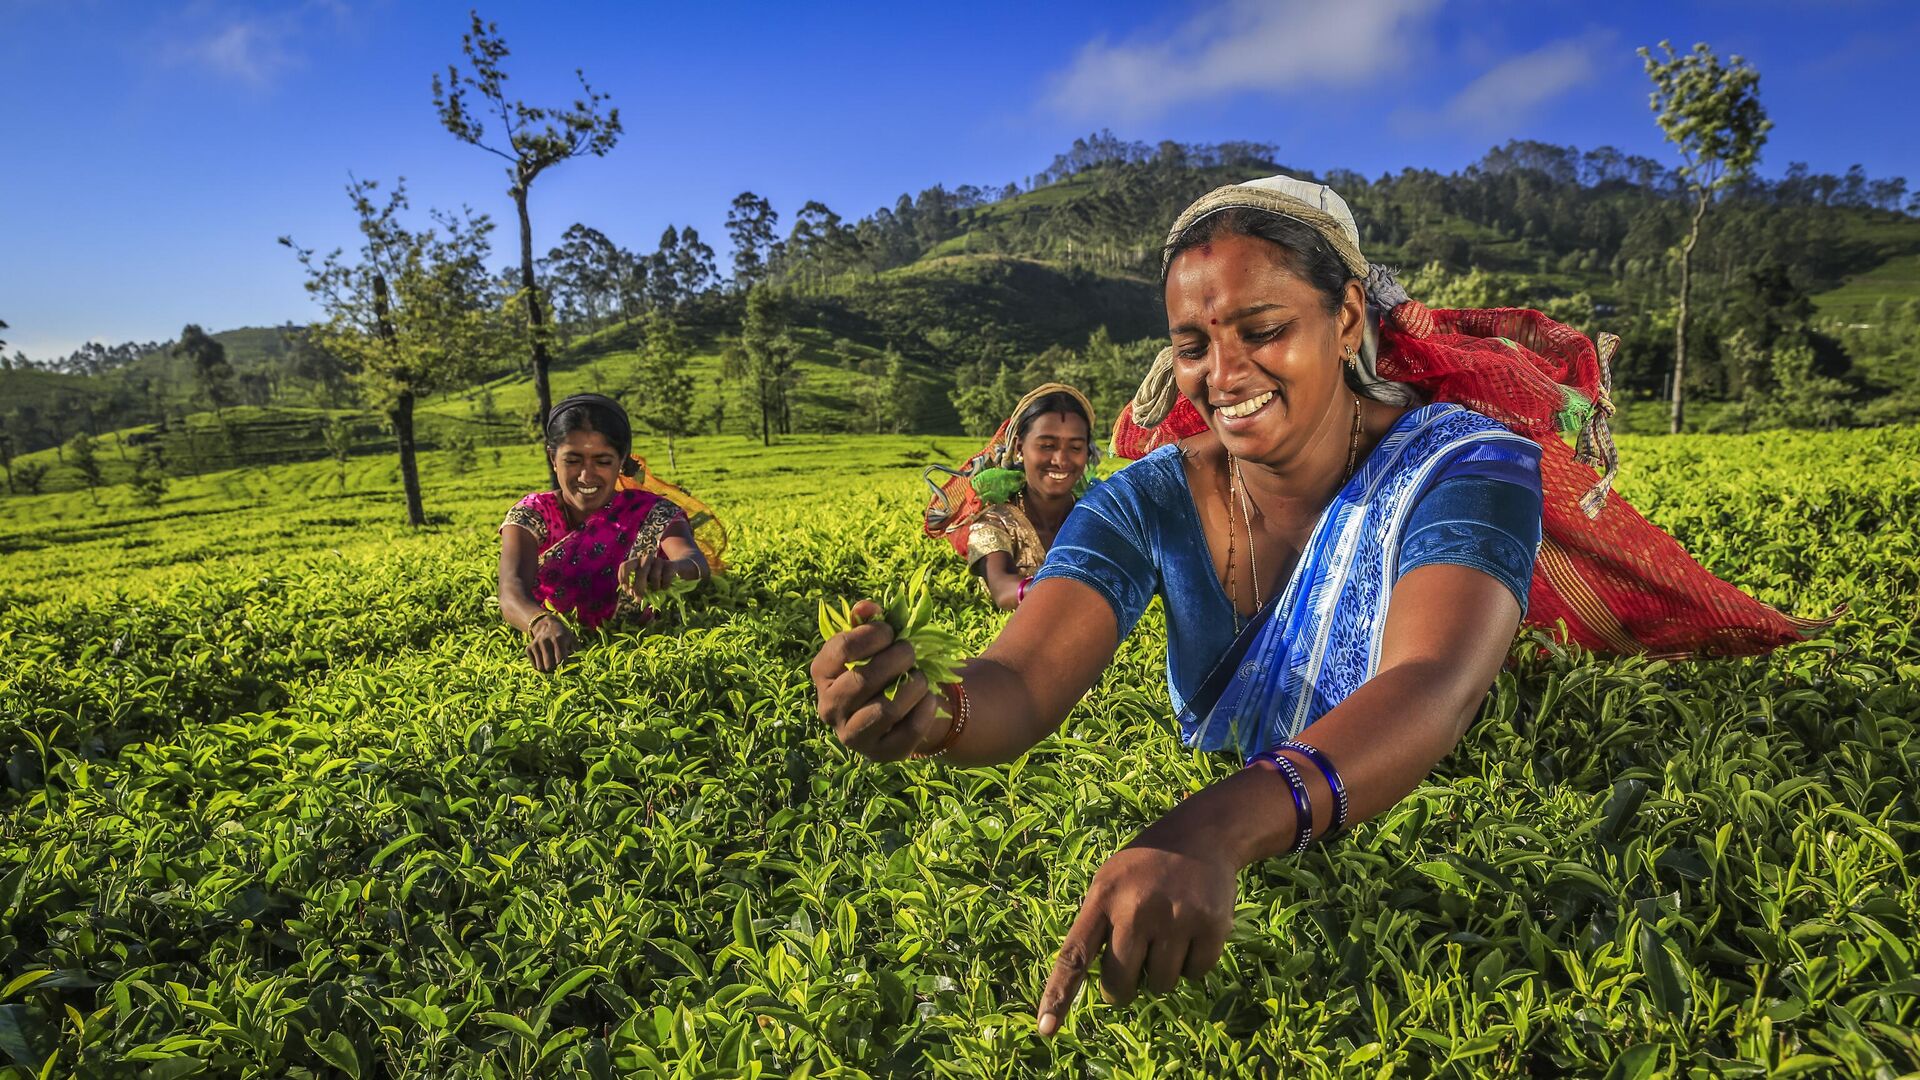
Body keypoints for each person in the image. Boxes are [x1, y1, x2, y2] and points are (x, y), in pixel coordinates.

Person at [811, 176, 1826, 1037]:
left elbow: (1430, 681)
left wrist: (1215, 829)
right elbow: (1024, 678)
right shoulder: (1150, 496)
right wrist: (932, 708)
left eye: (1262, 330)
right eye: (1196, 345)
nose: (1224, 375)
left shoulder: (1465, 465)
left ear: (1346, 321)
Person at [499, 393, 712, 672]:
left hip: (642, 657)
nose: (586, 476)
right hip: (556, 658)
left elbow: (695, 563)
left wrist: (668, 569)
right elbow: (511, 590)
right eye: (573, 460)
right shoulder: (532, 515)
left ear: (622, 462)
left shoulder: (653, 512)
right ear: (553, 458)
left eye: (602, 461)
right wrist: (540, 622)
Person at [924, 384, 1098, 609]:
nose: (1061, 460)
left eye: (1075, 448)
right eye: (1047, 445)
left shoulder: (1094, 517)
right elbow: (1003, 589)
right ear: (1019, 447)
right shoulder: (995, 521)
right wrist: (1079, 589)